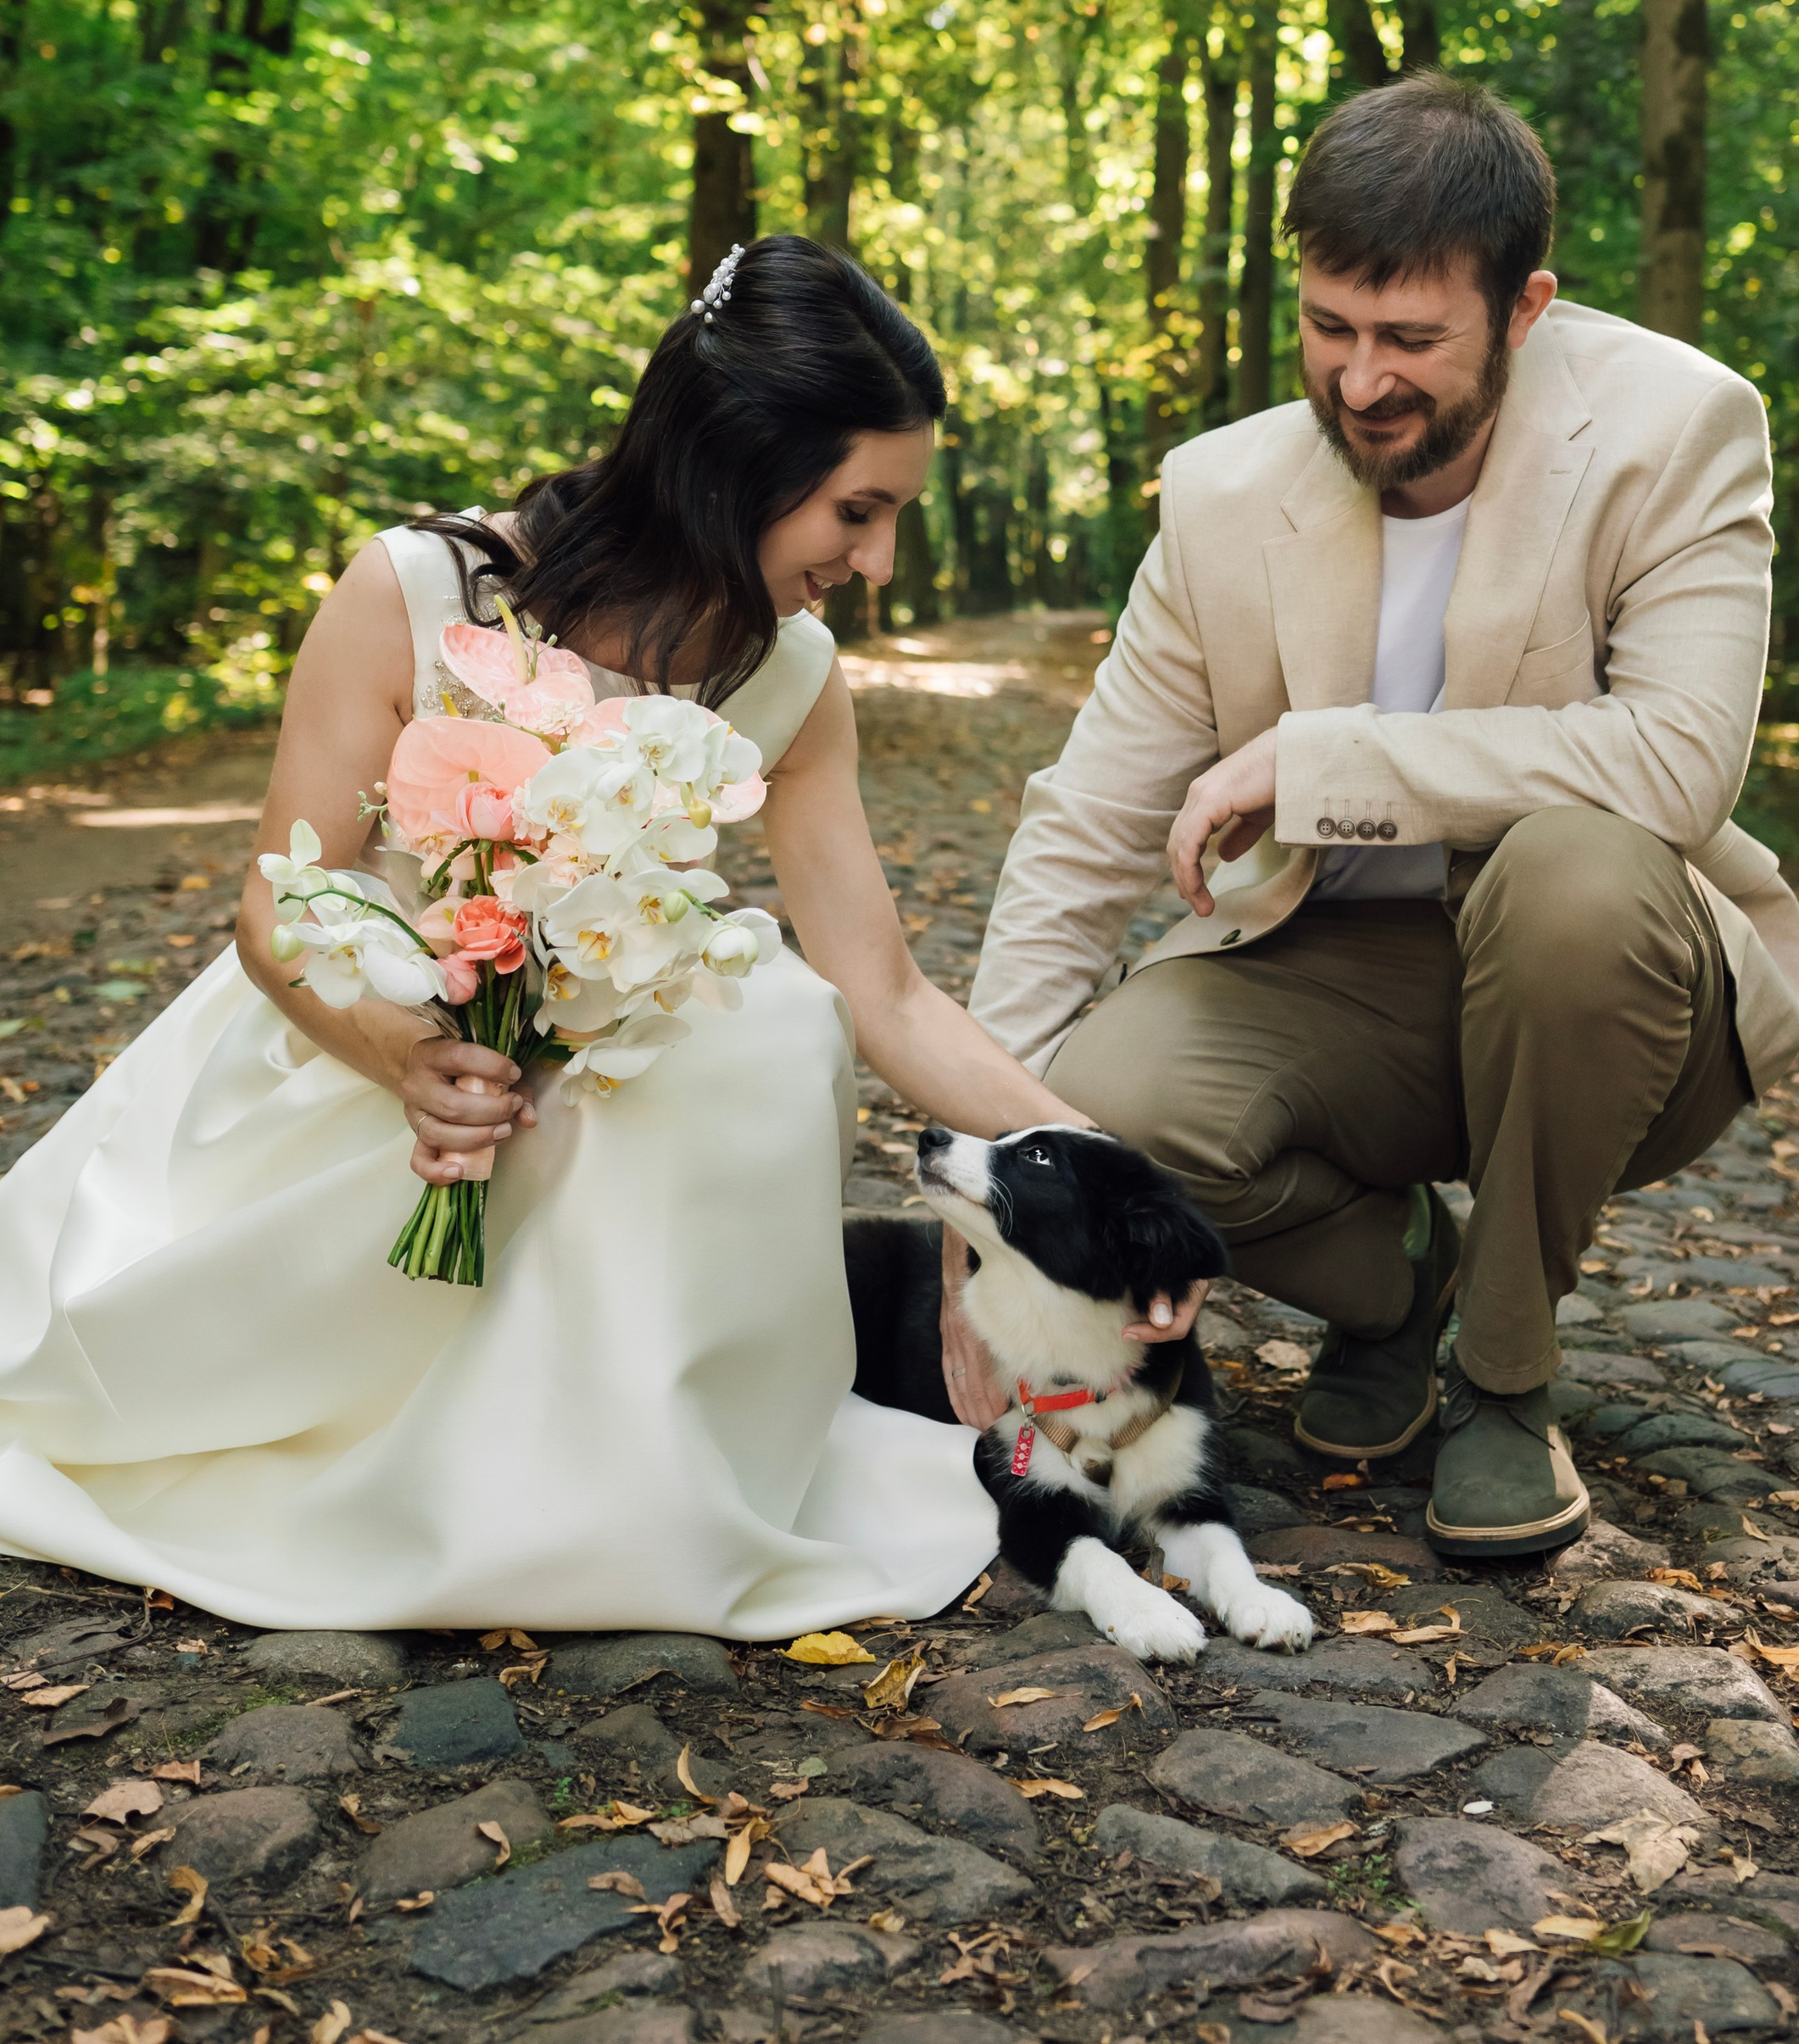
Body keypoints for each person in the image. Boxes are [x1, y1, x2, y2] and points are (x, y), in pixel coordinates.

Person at [0, 236, 1184, 1636]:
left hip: (585, 1081)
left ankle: (634, 1470)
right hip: (355, 1063)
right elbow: (276, 904)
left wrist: (1121, 1190)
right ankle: (389, 1447)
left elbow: (886, 991)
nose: (874, 562)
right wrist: (405, 1054)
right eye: (857, 512)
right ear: (740, 458)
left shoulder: (792, 677)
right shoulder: (413, 592)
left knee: (773, 1017)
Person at [969, 76, 1799, 1560]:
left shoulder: (1679, 427)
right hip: (1344, 984)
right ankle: (1401, 1287)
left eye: (1411, 340)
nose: (1360, 382)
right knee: (1099, 1106)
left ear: (1524, 308)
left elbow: (1680, 763)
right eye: (1329, 328)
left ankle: (1505, 1379)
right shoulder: (1221, 495)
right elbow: (1087, 826)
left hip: (1614, 991)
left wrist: (1325, 762)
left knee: (1573, 877)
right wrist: (993, 1201)